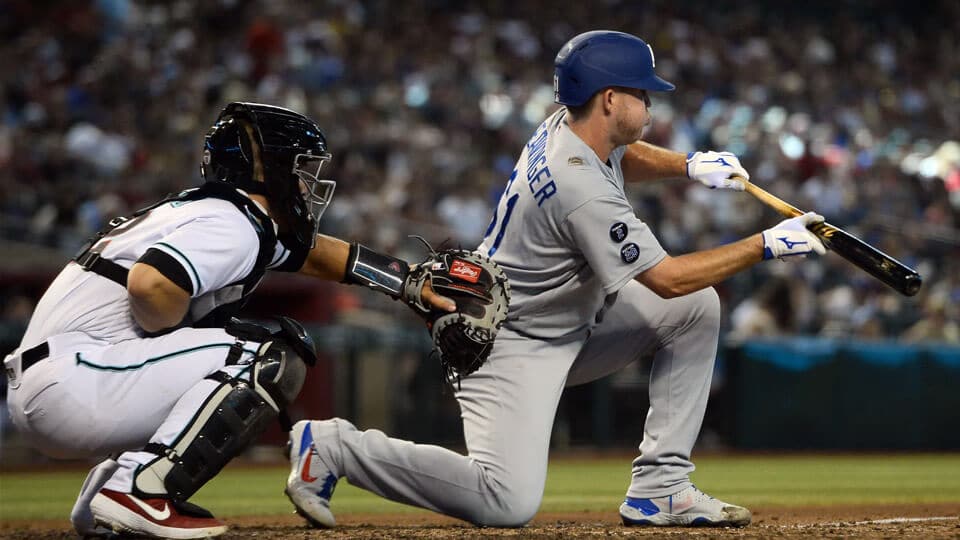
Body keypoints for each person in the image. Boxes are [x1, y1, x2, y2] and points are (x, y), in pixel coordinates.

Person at [285, 30, 825, 529]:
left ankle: (661, 487)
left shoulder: (566, 123)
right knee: (506, 501)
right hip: (507, 344)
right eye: (641, 93)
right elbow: (665, 279)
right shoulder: (580, 187)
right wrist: (766, 244)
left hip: (561, 320)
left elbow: (621, 153)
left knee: (696, 312)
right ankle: (333, 447)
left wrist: (687, 166)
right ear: (610, 99)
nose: (650, 103)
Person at [3, 102, 454, 539]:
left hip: (65, 379)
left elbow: (315, 255)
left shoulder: (224, 215)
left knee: (222, 358)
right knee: (265, 357)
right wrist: (173, 334)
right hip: (75, 381)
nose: (306, 184)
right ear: (271, 169)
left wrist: (407, 280)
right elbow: (150, 284)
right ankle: (141, 492)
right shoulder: (231, 222)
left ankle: (107, 499)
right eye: (300, 170)